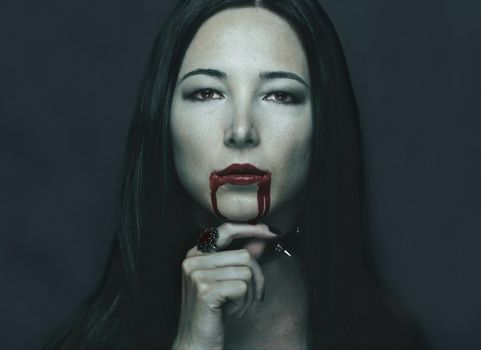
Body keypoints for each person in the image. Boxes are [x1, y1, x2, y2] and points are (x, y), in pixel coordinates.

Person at [46, 0, 423, 349]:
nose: (241, 131)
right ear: (162, 118)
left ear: (325, 124)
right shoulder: (87, 340)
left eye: (279, 95)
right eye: (208, 93)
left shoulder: (389, 336)